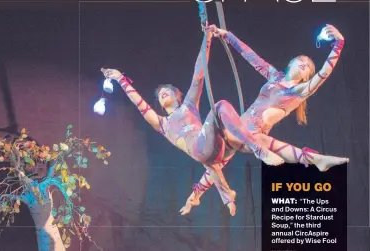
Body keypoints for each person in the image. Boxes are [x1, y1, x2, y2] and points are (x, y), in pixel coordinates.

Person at [101, 30, 288, 216]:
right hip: (201, 150)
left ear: (177, 95)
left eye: (167, 90)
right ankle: (259, 151)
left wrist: (207, 39)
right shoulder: (162, 123)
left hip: (212, 150)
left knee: (224, 145)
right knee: (221, 106)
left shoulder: (189, 106)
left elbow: (199, 74)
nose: (163, 92)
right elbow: (139, 103)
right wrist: (120, 79)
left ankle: (226, 194)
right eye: (160, 94)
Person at [179, 24, 349, 216]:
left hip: (250, 137)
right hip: (236, 131)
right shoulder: (274, 77)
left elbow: (323, 74)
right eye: (301, 61)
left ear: (306, 77)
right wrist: (227, 35)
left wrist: (338, 44)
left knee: (234, 123)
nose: (305, 64)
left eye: (308, 67)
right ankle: (195, 196)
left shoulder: (298, 92)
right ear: (290, 63)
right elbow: (250, 56)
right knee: (214, 164)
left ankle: (308, 158)